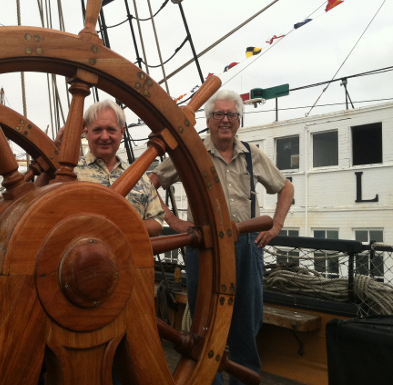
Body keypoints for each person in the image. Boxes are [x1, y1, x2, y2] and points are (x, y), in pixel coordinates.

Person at [149, 89, 294, 385]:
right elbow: (150, 182)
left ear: (239, 120)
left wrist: (275, 227)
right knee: (204, 323)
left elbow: (286, 188)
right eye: (218, 114)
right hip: (204, 247)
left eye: (231, 114)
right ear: (209, 120)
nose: (225, 120)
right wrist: (174, 221)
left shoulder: (251, 155)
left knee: (245, 324)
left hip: (246, 247)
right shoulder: (191, 154)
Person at [75, 99, 164, 236]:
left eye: (111, 129)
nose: (104, 137)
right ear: (86, 133)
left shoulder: (140, 178)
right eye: (97, 130)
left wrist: (123, 225)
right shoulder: (70, 172)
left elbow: (156, 223)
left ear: (122, 132)